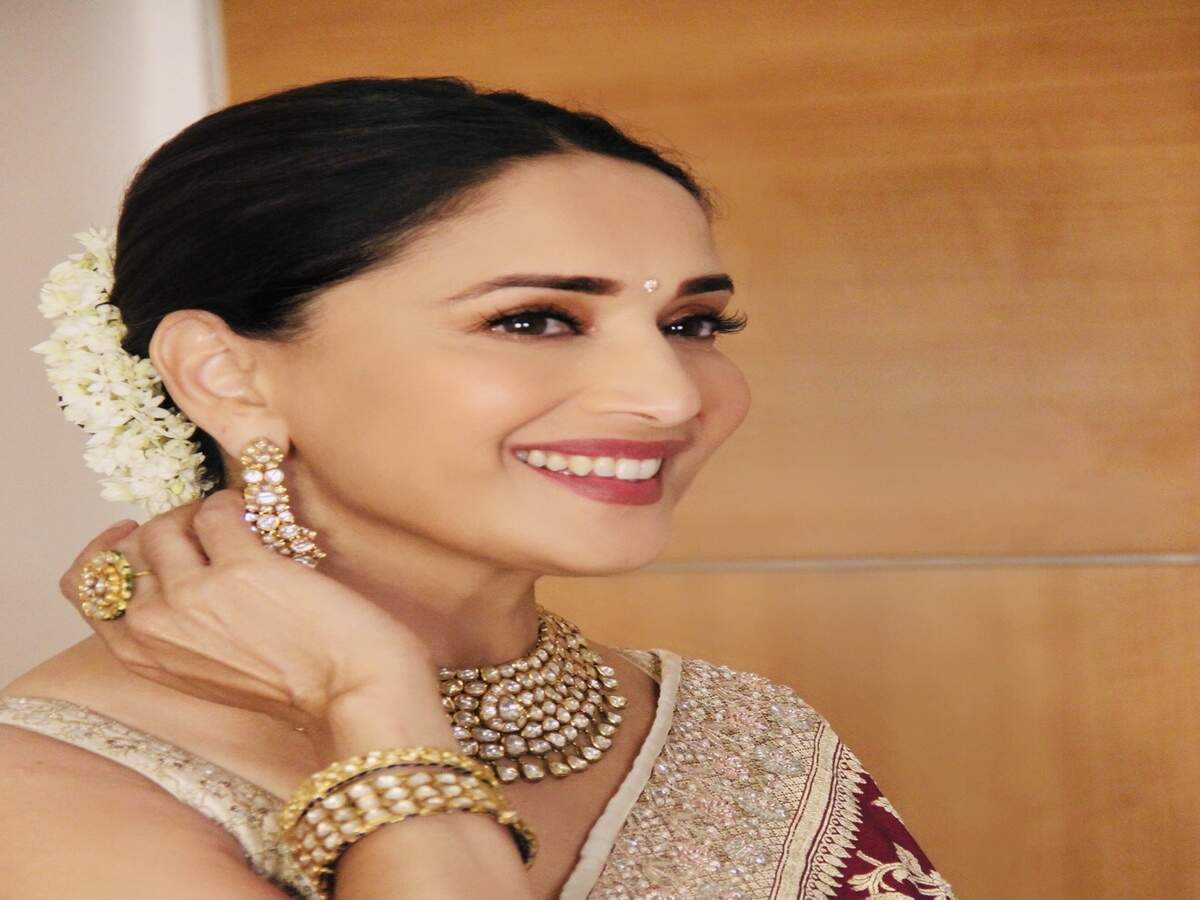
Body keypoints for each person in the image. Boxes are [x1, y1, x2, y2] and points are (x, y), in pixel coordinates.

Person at [0, 77, 955, 899]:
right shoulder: (44, 790)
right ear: (226, 376)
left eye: (693, 324)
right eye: (534, 320)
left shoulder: (742, 730)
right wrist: (370, 697)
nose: (670, 397)